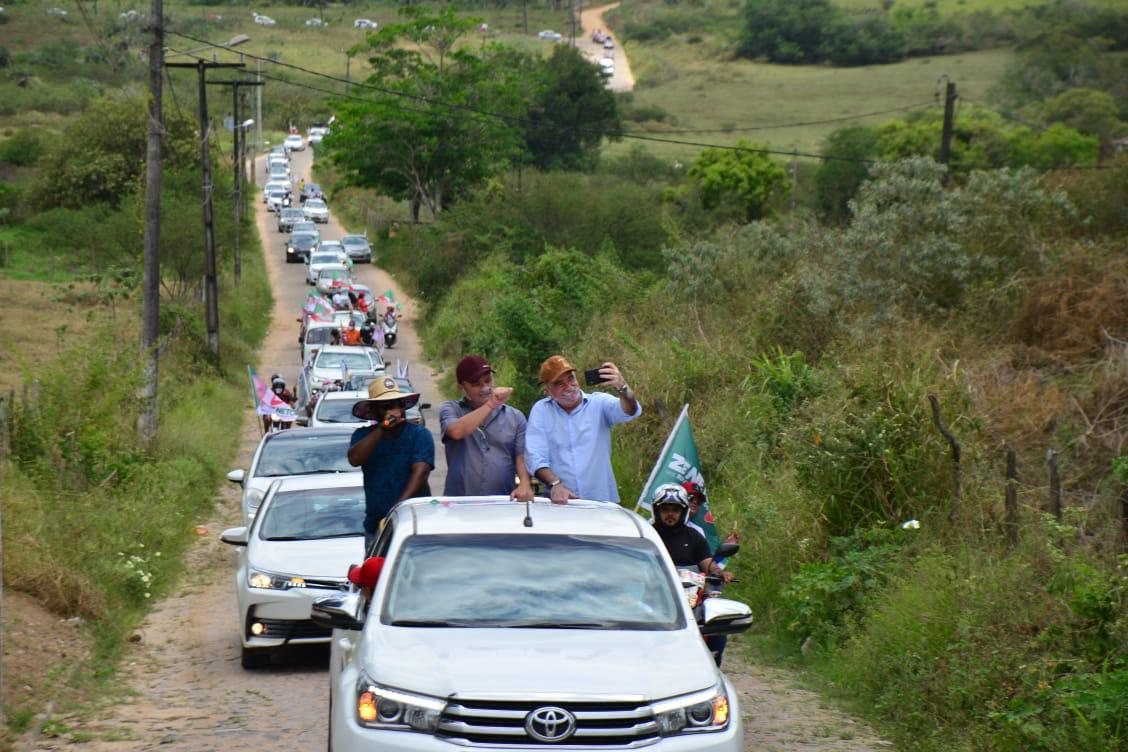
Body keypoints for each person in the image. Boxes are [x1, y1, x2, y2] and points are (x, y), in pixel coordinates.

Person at [524, 355, 641, 504]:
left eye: (571, 378)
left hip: (601, 501)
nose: (569, 386)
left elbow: (630, 411)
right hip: (562, 503)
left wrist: (623, 388)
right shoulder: (541, 410)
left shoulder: (599, 402)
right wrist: (555, 485)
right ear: (548, 390)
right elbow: (535, 456)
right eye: (560, 383)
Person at [649, 483, 734, 666]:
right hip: (653, 598)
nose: (670, 514)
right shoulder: (647, 535)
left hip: (689, 598)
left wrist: (719, 573)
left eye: (675, 509)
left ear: (683, 511)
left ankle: (713, 661)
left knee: (718, 621)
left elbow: (707, 564)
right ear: (657, 510)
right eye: (665, 509)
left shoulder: (694, 537)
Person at [347, 377, 435, 551]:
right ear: (375, 411)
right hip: (377, 528)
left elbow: (421, 473)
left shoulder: (419, 435)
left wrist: (397, 510)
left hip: (414, 525)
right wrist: (381, 429)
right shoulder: (363, 435)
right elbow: (354, 459)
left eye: (398, 404)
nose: (395, 411)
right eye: (387, 406)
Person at [439, 355, 533, 501]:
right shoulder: (450, 409)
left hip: (502, 503)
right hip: (459, 505)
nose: (485, 388)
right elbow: (456, 431)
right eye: (476, 384)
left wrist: (525, 484)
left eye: (488, 380)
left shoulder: (515, 417)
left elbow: (521, 456)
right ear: (461, 388)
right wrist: (491, 405)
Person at [682, 481, 739, 545]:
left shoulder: (698, 531)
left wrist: (725, 546)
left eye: (699, 501)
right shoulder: (669, 523)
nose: (695, 502)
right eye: (691, 498)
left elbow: (704, 554)